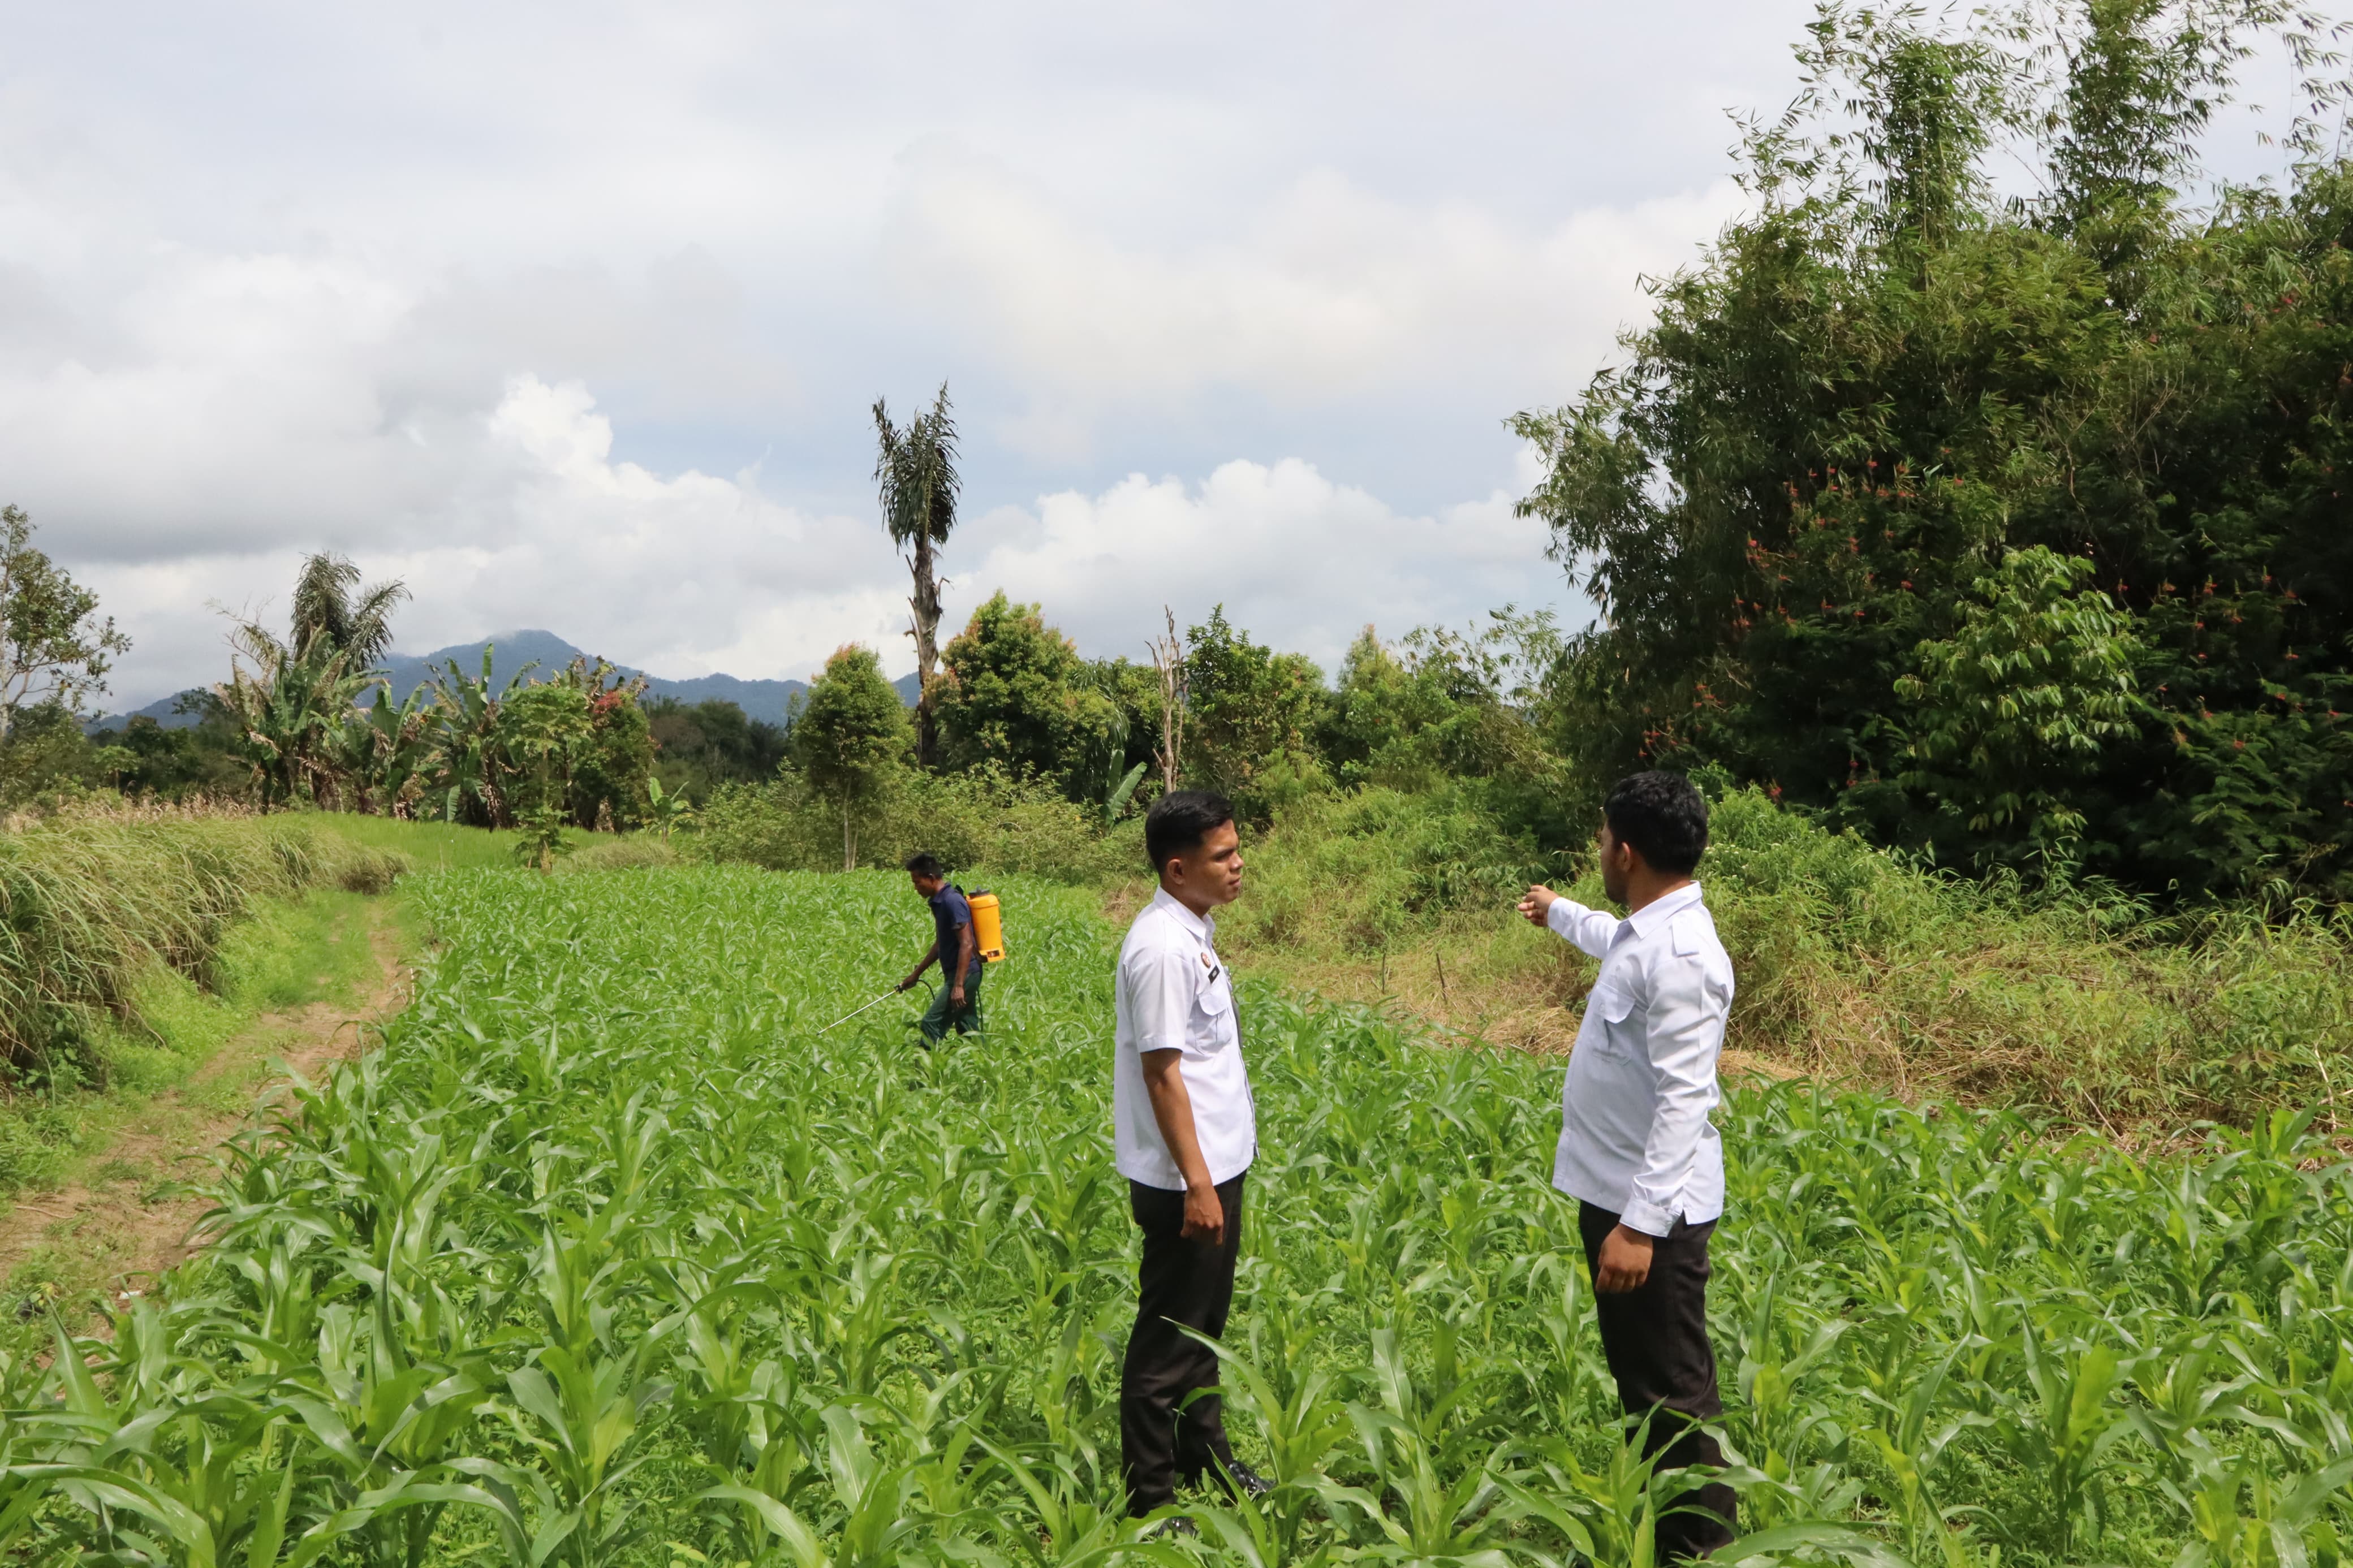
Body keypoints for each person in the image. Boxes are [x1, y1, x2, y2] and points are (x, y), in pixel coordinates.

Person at [1516, 771, 1736, 1561]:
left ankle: (1700, 1547)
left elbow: (1686, 1100)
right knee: (1645, 1387)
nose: (1599, 850)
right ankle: (1661, 1533)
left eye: (1603, 839)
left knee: (1675, 1396)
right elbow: (1615, 942)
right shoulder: (1649, 929)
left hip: (1651, 1219)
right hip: (1615, 1199)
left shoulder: (1682, 954)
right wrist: (1557, 913)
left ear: (1628, 851)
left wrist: (1639, 1229)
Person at [1113, 791, 1270, 1524]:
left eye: (1237, 850)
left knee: (1202, 1330)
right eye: (1223, 856)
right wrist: (1199, 1187)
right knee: (1166, 1341)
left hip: (1215, 1168)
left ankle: (1204, 1454)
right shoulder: (1161, 948)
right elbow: (1162, 1073)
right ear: (1178, 870)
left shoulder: (1194, 929)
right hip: (1187, 1181)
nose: (1239, 865)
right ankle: (1150, 1498)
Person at [899, 853, 984, 1044]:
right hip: (960, 974)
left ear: (931, 878)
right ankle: (985, 1071)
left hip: (965, 974)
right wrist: (916, 974)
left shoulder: (951, 901)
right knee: (968, 1028)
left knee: (931, 1023)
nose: (916, 888)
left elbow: (967, 943)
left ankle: (924, 1072)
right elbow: (940, 945)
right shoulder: (940, 901)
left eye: (918, 883)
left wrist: (959, 986)